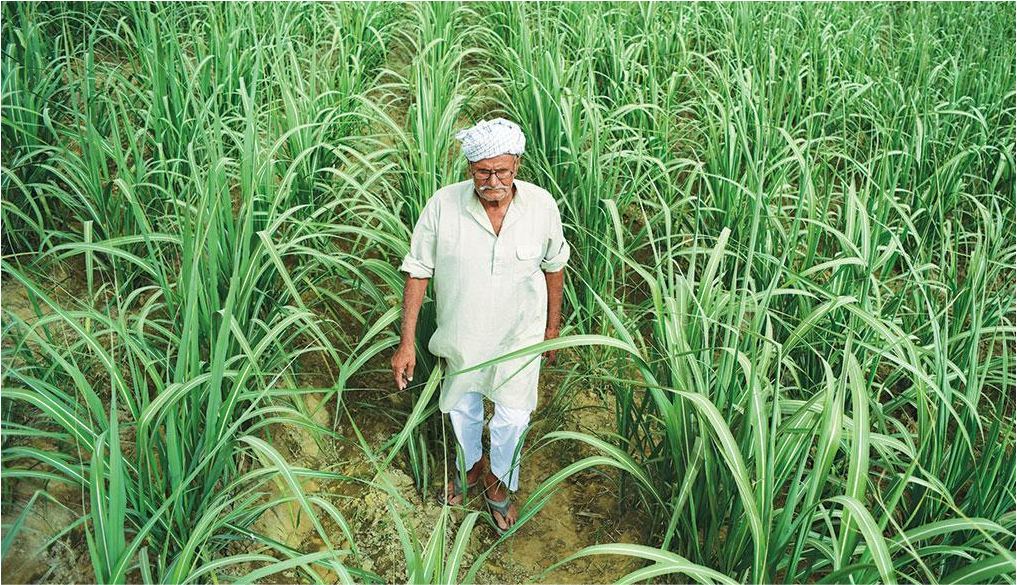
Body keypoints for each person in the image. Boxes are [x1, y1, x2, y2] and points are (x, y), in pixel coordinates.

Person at [390, 118, 570, 534]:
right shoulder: (442, 205)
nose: (492, 181)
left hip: (519, 337)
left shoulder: (541, 206)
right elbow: (418, 271)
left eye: (502, 171)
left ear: (518, 165)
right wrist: (406, 344)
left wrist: (552, 328)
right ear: (468, 166)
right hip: (462, 334)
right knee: (461, 408)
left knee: (513, 417)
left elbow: (554, 267)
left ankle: (498, 480)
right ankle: (470, 468)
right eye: (482, 171)